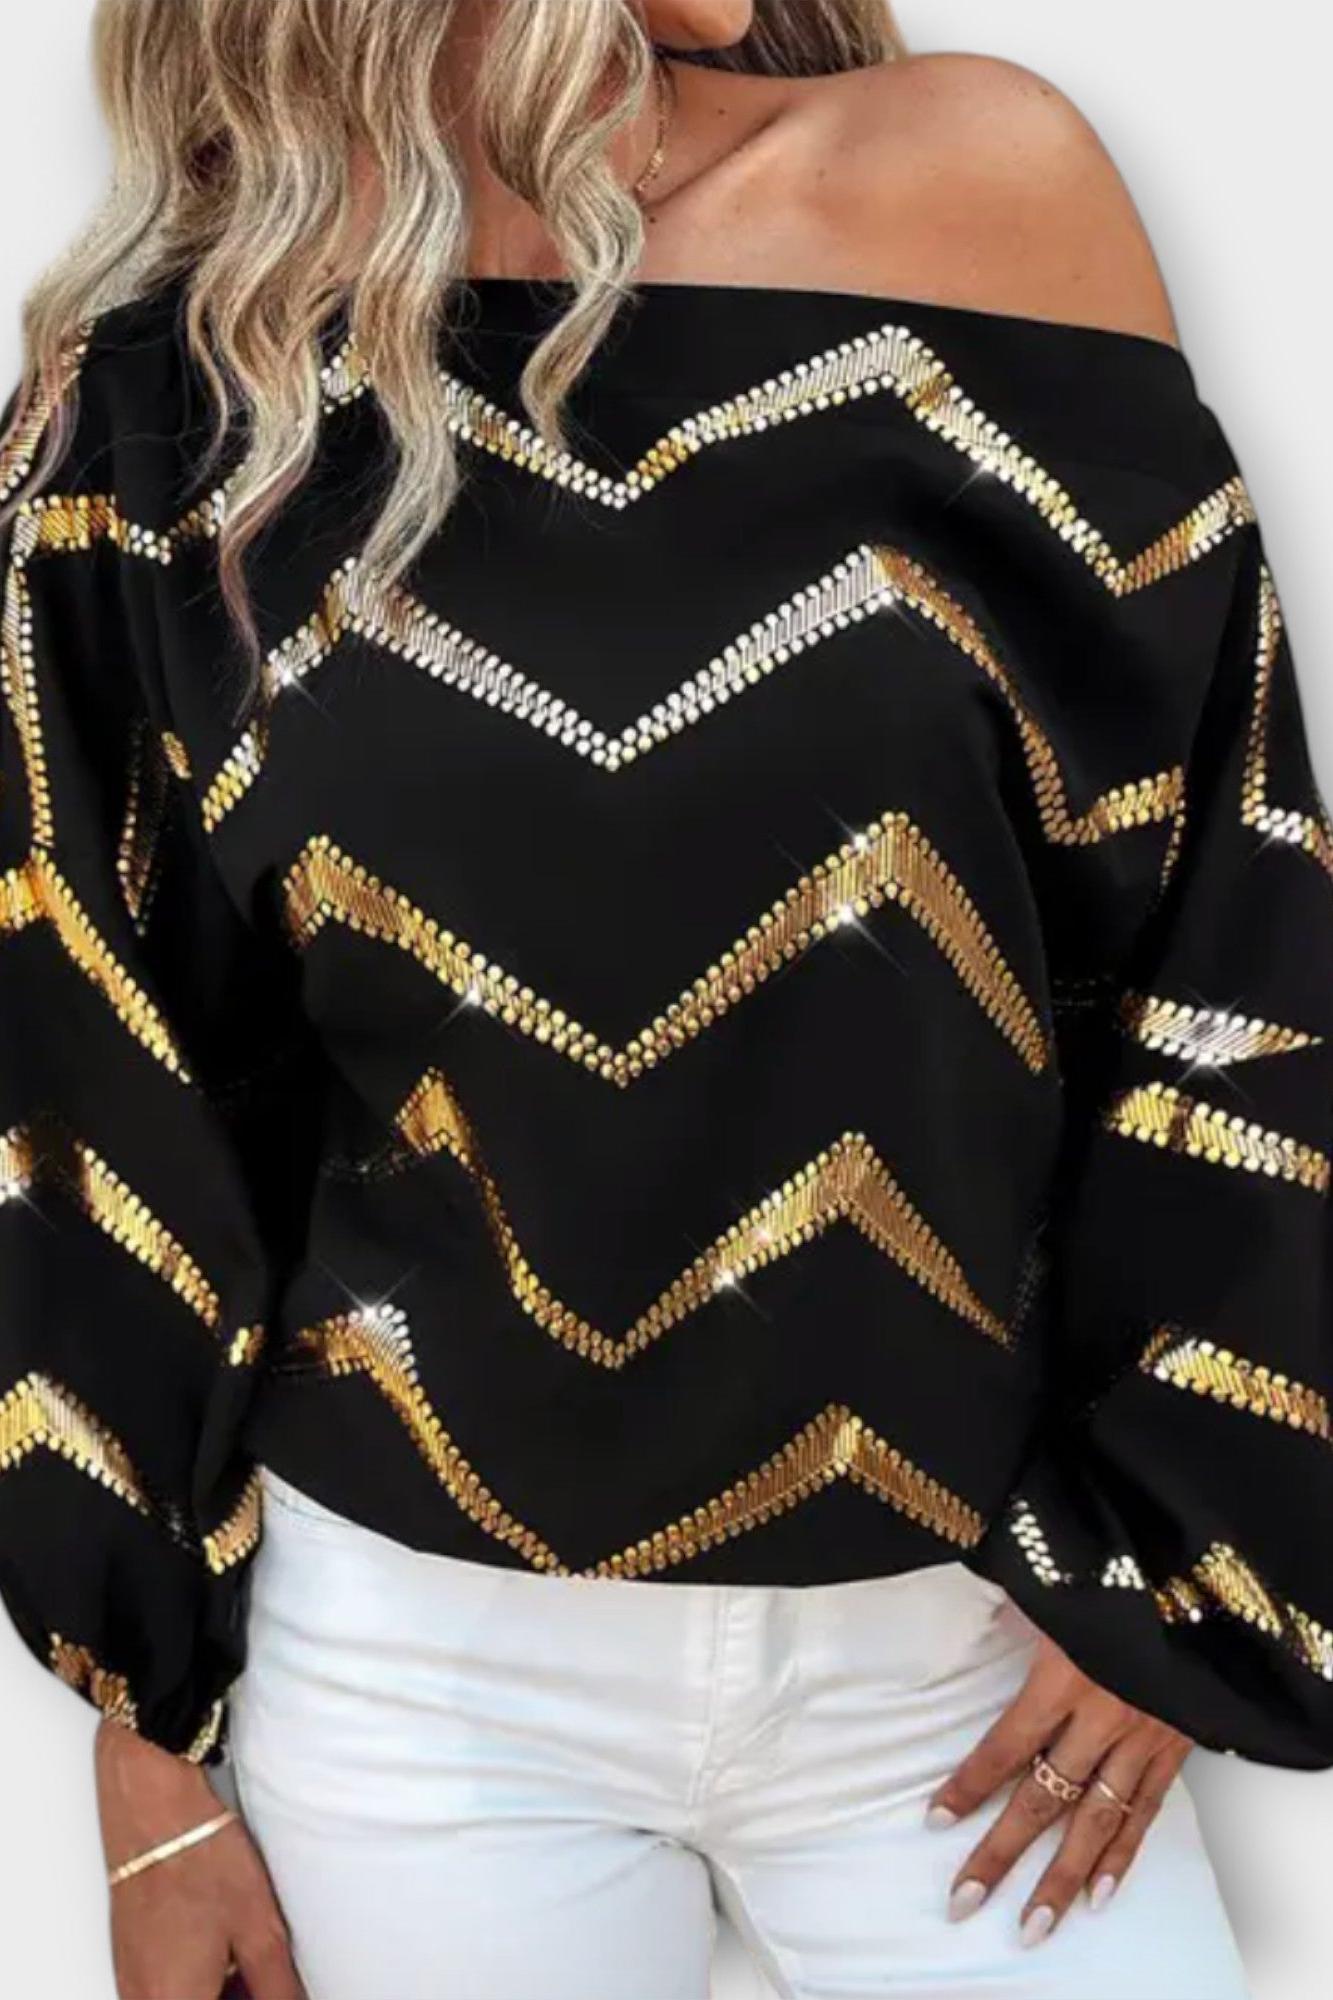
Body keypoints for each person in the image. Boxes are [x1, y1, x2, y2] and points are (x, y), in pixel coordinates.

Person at [1, 2, 1328, 1996]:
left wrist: (1201, 1554)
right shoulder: (177, 385)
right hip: (412, 1681)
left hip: (962, 1655)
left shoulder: (970, 185)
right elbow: (107, 1079)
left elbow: (1222, 899)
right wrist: (148, 1758)